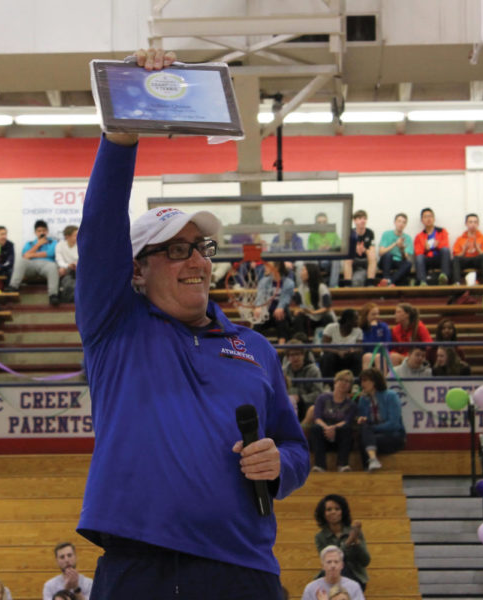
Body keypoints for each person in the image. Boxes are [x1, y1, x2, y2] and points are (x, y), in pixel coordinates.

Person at [74, 46, 308, 600]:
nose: (198, 261)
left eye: (200, 248)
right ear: (136, 270)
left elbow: (296, 449)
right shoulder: (115, 328)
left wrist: (281, 465)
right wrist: (123, 133)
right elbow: (100, 226)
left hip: (245, 568)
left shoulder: (254, 348)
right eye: (176, 251)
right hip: (140, 566)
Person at [313, 495, 370, 592]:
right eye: (329, 509)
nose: (333, 512)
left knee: (344, 572)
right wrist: (348, 542)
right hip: (331, 575)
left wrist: (356, 542)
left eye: (337, 509)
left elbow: (366, 561)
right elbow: (330, 559)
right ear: (323, 514)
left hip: (355, 576)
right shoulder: (320, 537)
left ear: (342, 512)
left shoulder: (355, 532)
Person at [354, 368, 405, 471]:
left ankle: (369, 466)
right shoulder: (364, 399)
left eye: (365, 380)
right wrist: (361, 419)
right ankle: (372, 461)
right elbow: (364, 421)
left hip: (393, 435)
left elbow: (394, 424)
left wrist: (373, 428)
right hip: (372, 435)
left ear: (374, 381)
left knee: (365, 440)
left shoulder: (390, 396)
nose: (362, 384)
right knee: (364, 433)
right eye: (361, 381)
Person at [310, 370, 358, 473]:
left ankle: (343, 464)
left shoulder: (351, 404)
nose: (344, 383)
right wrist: (327, 428)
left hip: (339, 434)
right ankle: (320, 465)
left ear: (350, 386)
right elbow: (317, 417)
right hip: (323, 432)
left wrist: (333, 428)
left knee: (347, 429)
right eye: (341, 380)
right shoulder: (322, 398)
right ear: (335, 382)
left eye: (347, 381)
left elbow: (347, 421)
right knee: (315, 428)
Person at [6, 220, 60, 307]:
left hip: (47, 264)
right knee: (21, 261)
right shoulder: (30, 243)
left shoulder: (53, 242)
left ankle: (53, 295)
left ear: (47, 231)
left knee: (53, 266)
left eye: (44, 230)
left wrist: (31, 254)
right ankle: (13, 287)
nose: (42, 233)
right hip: (32, 265)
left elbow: (50, 253)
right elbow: (25, 256)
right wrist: (38, 245)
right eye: (39, 231)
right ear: (35, 232)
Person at [252, 261, 295, 344]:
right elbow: (260, 296)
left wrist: (280, 307)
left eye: (268, 265)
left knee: (281, 319)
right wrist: (258, 307)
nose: (265, 267)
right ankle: (254, 347)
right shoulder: (264, 281)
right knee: (257, 323)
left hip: (281, 314)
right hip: (267, 313)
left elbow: (285, 299)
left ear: (277, 267)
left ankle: (281, 349)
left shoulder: (289, 283)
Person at [301, 546, 365, 600]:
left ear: (342, 565)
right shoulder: (311, 589)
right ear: (323, 566)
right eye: (329, 562)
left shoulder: (353, 587)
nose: (333, 566)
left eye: (336, 562)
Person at [291, 263, 335, 339]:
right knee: (298, 318)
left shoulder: (321, 287)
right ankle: (302, 342)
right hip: (310, 317)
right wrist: (300, 310)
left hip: (322, 316)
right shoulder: (301, 288)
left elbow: (327, 307)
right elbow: (301, 305)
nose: (301, 273)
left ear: (310, 272)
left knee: (327, 318)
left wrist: (313, 312)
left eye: (303, 270)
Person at [284, 340, 324, 422]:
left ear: (303, 355)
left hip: (306, 404)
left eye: (298, 354)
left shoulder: (314, 370)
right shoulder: (283, 371)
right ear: (287, 357)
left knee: (311, 408)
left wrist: (301, 398)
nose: (295, 357)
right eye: (292, 355)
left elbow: (319, 393)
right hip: (289, 402)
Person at [319, 309, 362, 378]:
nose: (359, 320)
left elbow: (359, 348)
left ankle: (355, 384)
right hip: (333, 355)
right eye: (356, 319)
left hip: (348, 356)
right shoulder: (331, 327)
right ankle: (327, 384)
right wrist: (338, 352)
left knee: (357, 356)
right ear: (348, 320)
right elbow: (324, 347)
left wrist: (353, 350)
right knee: (328, 357)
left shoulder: (358, 331)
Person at [413, 207, 451, 286]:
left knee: (445, 250)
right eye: (425, 217)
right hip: (427, 259)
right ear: (422, 220)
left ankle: (444, 277)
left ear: (434, 218)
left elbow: (446, 245)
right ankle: (422, 282)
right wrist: (425, 249)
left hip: (439, 258)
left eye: (430, 216)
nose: (428, 219)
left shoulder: (442, 231)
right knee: (419, 257)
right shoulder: (419, 236)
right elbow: (417, 252)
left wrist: (438, 245)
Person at [451, 213, 483, 285]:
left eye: (475, 222)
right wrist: (464, 250)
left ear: (478, 224)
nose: (473, 224)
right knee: (456, 260)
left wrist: (478, 248)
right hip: (465, 260)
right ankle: (456, 282)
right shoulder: (460, 239)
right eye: (470, 222)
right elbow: (456, 256)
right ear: (466, 224)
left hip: (477, 260)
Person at [377, 213, 413, 287]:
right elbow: (380, 253)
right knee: (388, 255)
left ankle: (389, 282)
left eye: (403, 222)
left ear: (405, 225)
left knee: (408, 263)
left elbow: (405, 258)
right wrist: (395, 244)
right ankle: (386, 278)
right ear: (395, 222)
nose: (401, 224)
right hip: (386, 261)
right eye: (399, 221)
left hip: (398, 262)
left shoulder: (408, 238)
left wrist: (402, 249)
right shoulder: (386, 234)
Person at [341, 210, 376, 287]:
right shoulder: (350, 232)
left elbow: (372, 249)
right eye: (360, 218)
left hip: (365, 260)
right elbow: (345, 250)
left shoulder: (370, 232)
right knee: (347, 257)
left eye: (364, 218)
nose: (363, 221)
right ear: (355, 220)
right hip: (354, 260)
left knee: (372, 254)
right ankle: (347, 284)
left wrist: (364, 250)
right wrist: (355, 249)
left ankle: (370, 283)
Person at [308, 212, 342, 287]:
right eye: (319, 223)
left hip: (330, 260)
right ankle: (315, 285)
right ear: (316, 224)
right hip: (318, 260)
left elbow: (340, 247)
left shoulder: (333, 234)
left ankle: (333, 286)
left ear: (327, 223)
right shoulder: (312, 235)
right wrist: (318, 250)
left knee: (337, 260)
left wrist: (331, 248)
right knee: (312, 261)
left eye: (324, 222)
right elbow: (309, 252)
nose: (322, 224)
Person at [359, 302, 391, 372]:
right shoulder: (361, 328)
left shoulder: (383, 326)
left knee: (379, 357)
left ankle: (382, 381)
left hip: (382, 352)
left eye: (377, 314)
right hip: (367, 353)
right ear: (366, 316)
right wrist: (372, 329)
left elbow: (387, 342)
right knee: (367, 356)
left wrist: (374, 328)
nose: (376, 316)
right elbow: (365, 344)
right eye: (373, 314)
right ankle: (366, 380)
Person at [56, 225, 79, 303]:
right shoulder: (60, 245)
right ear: (67, 237)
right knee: (61, 270)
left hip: (78, 269)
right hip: (66, 269)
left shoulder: (80, 245)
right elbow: (59, 260)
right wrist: (67, 266)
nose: (78, 237)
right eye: (76, 235)